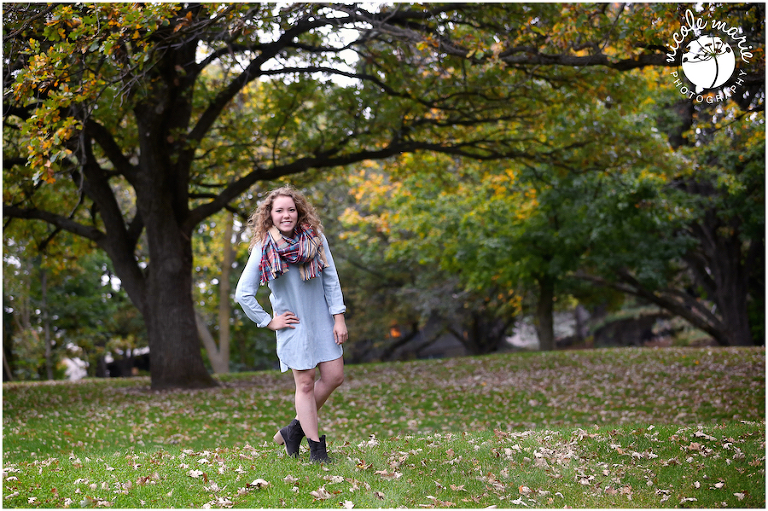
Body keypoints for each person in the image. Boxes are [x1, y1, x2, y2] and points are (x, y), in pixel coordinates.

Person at [235, 185, 348, 463]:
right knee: (306, 385)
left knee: (334, 376)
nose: (286, 215)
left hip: (322, 319)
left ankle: (293, 429)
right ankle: (316, 450)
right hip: (293, 325)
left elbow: (331, 279)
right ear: (270, 216)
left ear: (298, 211)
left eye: (291, 209)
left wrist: (339, 317)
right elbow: (243, 293)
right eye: (279, 211)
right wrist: (267, 321)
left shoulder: (315, 238)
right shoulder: (264, 247)